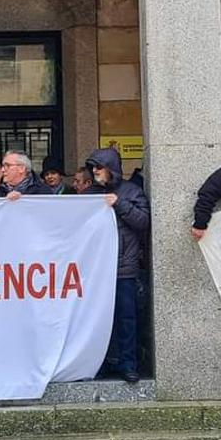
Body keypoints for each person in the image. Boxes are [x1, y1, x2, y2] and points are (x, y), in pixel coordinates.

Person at [86, 147, 150, 382]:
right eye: (93, 167)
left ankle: (127, 364)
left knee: (126, 318)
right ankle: (100, 363)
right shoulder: (88, 193)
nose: (94, 171)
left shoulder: (132, 192)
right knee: (98, 320)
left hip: (123, 268)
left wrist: (119, 204)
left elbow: (143, 222)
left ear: (110, 169)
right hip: (96, 270)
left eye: (99, 167)